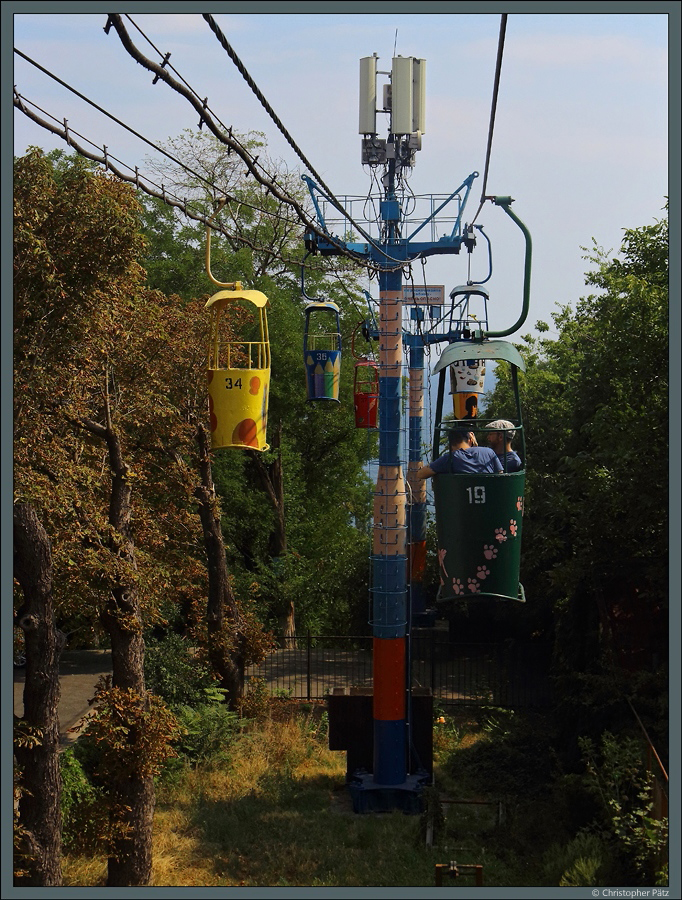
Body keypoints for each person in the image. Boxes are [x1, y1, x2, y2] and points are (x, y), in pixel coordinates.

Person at [417, 427, 503, 479]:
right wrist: (476, 447)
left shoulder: (450, 458)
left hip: (462, 504)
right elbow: (500, 474)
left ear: (450, 444)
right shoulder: (488, 452)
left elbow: (420, 474)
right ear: (470, 440)